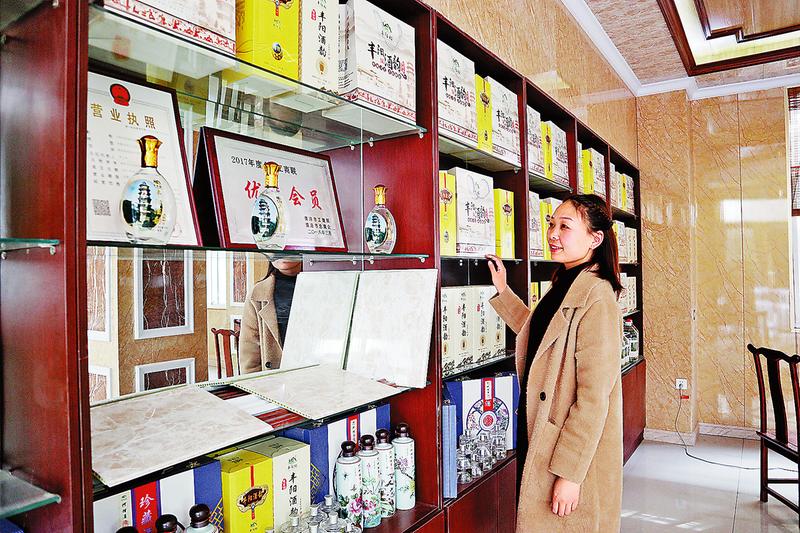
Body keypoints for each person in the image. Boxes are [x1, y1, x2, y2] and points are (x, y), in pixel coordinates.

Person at [486, 194, 623, 532]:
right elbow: (543, 338)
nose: (552, 234)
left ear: (595, 239)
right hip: (541, 431)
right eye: (551, 224)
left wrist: (570, 475)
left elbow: (593, 398)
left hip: (566, 449)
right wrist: (503, 291)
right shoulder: (565, 281)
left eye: (565, 226)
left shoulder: (597, 296)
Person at [238, 258, 302, 374]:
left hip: (314, 377)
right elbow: (249, 353)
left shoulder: (324, 284)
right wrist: (254, 384)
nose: (282, 254)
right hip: (272, 381)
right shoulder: (257, 292)